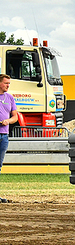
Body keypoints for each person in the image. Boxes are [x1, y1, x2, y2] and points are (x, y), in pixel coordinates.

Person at [0, 74, 18, 203]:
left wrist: (8, 121)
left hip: (4, 135)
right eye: (6, 83)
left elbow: (15, 117)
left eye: (9, 83)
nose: (8, 85)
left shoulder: (10, 98)